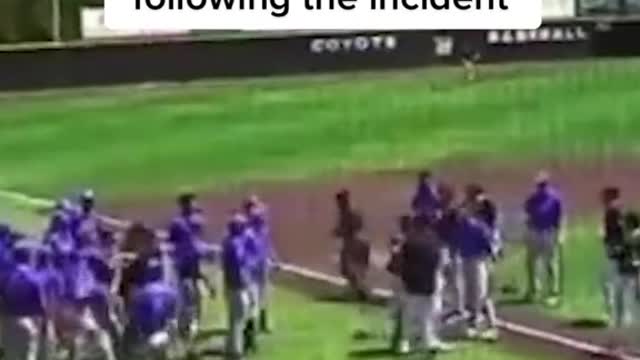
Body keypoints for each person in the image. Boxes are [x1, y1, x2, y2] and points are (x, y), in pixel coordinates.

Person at [397, 216, 453, 354]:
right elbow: (442, 264)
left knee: (410, 313)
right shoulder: (435, 242)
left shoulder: (408, 242)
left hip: (411, 282)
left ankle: (405, 343)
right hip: (429, 282)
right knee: (430, 313)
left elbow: (401, 263)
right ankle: (428, 341)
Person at [122, 259, 180, 360]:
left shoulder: (139, 294)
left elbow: (134, 317)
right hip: (164, 331)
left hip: (147, 334)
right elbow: (174, 314)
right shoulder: (170, 292)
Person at [457, 206, 499, 341]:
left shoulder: (478, 227)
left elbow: (489, 246)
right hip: (466, 261)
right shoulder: (461, 228)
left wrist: (491, 259)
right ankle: (473, 325)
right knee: (471, 295)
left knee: (481, 295)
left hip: (479, 261)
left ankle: (491, 327)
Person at [523, 171, 564, 304]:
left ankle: (552, 292)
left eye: (543, 184)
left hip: (549, 232)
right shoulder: (533, 198)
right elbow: (527, 213)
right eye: (539, 184)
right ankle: (534, 289)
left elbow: (560, 217)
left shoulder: (554, 198)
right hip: (535, 231)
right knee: (531, 263)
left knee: (550, 263)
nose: (541, 187)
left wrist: (560, 234)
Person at [0, 242, 45, 360]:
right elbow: (43, 305)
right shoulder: (36, 278)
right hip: (30, 323)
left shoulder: (6, 276)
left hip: (8, 322)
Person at [244, 197, 278, 334]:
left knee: (263, 293)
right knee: (254, 295)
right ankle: (253, 323)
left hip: (262, 263)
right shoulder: (246, 228)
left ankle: (262, 322)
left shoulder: (262, 227)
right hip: (252, 266)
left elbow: (268, 244)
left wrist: (274, 258)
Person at [222, 213, 253, 359]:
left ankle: (230, 347)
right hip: (236, 286)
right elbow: (238, 265)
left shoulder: (229, 241)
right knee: (238, 319)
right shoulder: (235, 244)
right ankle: (236, 351)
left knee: (234, 318)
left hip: (232, 286)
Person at [333, 189, 370, 300]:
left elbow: (350, 228)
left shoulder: (348, 212)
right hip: (361, 242)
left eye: (339, 202)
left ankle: (361, 291)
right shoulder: (351, 211)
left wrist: (339, 232)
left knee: (347, 269)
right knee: (357, 270)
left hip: (354, 243)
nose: (338, 204)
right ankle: (359, 291)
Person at [609, 211, 640, 328]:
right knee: (619, 298)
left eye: (625, 222)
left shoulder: (636, 235)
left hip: (633, 273)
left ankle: (632, 325)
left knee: (632, 299)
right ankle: (619, 323)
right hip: (623, 271)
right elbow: (618, 252)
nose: (622, 224)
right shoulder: (624, 235)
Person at [600, 186, 626, 326]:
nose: (602, 199)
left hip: (615, 253)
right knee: (616, 285)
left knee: (610, 284)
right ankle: (619, 317)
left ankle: (614, 317)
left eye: (605, 196)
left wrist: (613, 247)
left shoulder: (612, 211)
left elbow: (617, 232)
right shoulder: (617, 210)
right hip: (619, 252)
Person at [386, 214, 411, 352]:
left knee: (401, 312)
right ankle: (401, 342)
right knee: (402, 312)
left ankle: (399, 341)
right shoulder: (401, 241)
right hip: (402, 280)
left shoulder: (402, 240)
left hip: (401, 279)